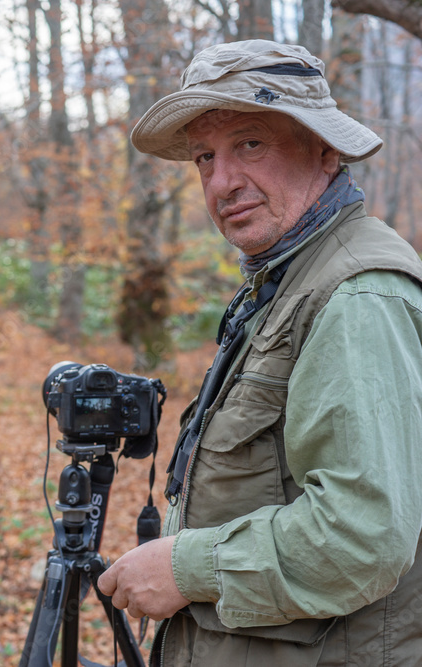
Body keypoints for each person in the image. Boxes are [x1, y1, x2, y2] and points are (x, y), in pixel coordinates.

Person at [96, 40, 422, 666]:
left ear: (324, 149)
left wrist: (185, 568)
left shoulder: (356, 294)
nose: (222, 182)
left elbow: (361, 535)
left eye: (250, 143)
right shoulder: (285, 282)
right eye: (204, 157)